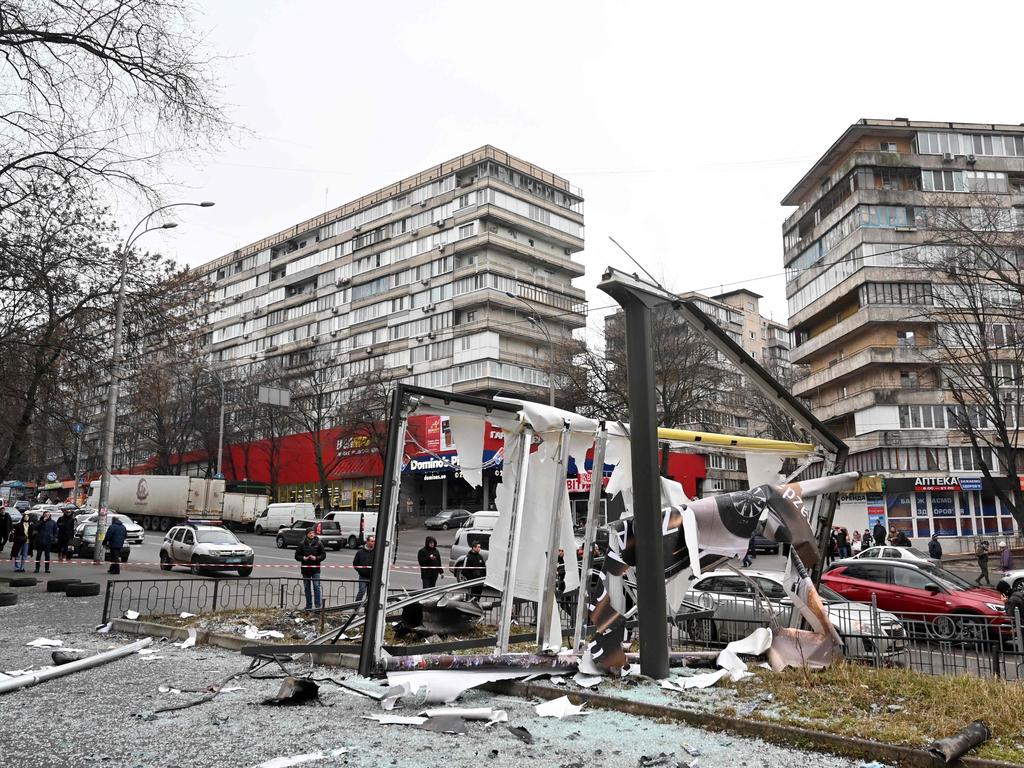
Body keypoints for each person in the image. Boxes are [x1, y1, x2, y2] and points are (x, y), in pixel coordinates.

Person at [295, 528, 327, 610]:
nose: (312, 534)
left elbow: (323, 555)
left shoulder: (319, 543)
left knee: (316, 586)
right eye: (310, 533)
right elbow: (296, 556)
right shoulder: (302, 544)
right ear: (307, 534)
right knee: (307, 588)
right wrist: (303, 558)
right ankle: (309, 606)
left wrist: (316, 558)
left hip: (316, 569)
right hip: (305, 570)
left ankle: (317, 605)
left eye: (313, 533)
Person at [33, 510, 58, 574]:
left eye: (48, 515)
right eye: (46, 515)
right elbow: (35, 527)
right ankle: (37, 568)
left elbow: (55, 531)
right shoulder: (40, 521)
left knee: (47, 555)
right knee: (38, 555)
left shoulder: (53, 522)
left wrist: (53, 537)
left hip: (48, 541)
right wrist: (43, 521)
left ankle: (47, 569)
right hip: (40, 541)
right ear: (43, 515)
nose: (47, 516)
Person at [353, 535, 375, 602]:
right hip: (363, 576)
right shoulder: (360, 552)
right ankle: (356, 607)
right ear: (367, 542)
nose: (373, 543)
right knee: (362, 591)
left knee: (370, 594)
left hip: (372, 576)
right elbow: (355, 564)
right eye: (371, 541)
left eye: (374, 541)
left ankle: (367, 610)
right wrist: (361, 571)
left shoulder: (376, 552)